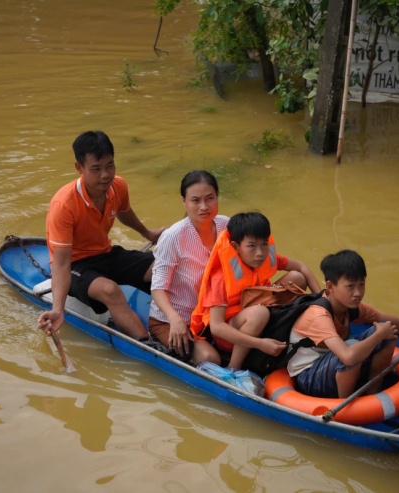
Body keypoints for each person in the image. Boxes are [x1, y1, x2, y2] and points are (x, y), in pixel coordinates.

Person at [37, 130, 164, 340]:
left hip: (106, 254)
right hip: (77, 265)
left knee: (162, 266)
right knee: (110, 290)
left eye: (110, 166)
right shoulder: (64, 205)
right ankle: (148, 345)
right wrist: (58, 309)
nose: (105, 175)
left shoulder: (118, 186)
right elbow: (61, 264)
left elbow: (124, 213)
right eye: (96, 169)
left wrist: (148, 233)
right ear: (79, 168)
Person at [287, 249, 399, 399]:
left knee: (389, 333)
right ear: (330, 287)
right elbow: (348, 356)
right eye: (350, 287)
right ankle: (345, 404)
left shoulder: (352, 307)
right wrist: (379, 334)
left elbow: (396, 321)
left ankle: (372, 392)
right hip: (308, 376)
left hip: (329, 366)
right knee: (358, 344)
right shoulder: (318, 316)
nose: (358, 293)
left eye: (361, 285)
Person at [190, 212, 322, 370]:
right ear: (235, 247)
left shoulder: (264, 257)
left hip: (257, 309)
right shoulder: (221, 277)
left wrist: (321, 299)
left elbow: (302, 267)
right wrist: (260, 344)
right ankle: (234, 366)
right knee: (259, 313)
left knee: (297, 277)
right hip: (230, 333)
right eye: (251, 246)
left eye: (264, 244)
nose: (260, 252)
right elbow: (217, 327)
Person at [148, 170, 228, 365]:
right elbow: (158, 287)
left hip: (214, 315)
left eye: (210, 198)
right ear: (184, 201)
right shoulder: (173, 237)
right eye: (195, 200)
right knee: (209, 358)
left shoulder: (227, 226)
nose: (204, 207)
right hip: (174, 320)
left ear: (217, 197)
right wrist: (174, 319)